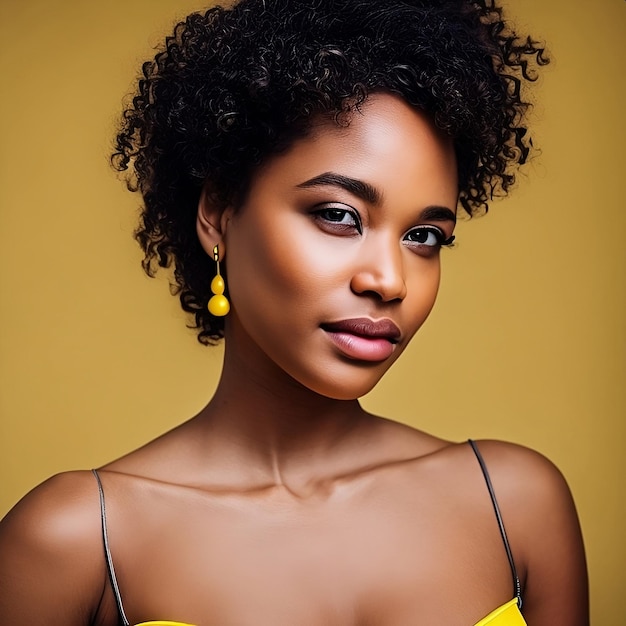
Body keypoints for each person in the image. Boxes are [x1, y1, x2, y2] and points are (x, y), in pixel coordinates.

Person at [0, 0, 588, 624]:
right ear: (219, 213)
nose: (390, 281)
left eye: (425, 237)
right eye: (338, 215)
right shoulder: (77, 544)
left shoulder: (514, 505)